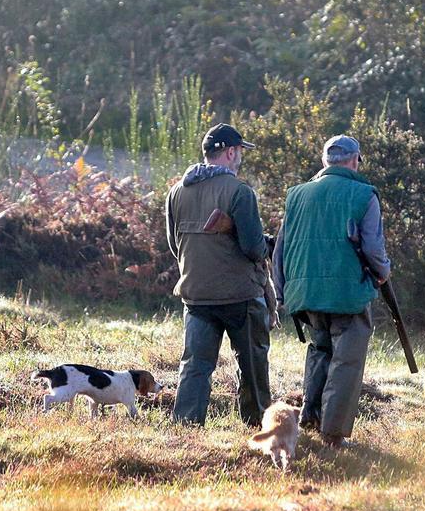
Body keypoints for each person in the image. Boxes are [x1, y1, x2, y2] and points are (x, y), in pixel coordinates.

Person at [272, 135, 391, 448]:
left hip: (305, 292)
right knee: (347, 360)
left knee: (320, 350)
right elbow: (374, 248)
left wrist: (282, 291)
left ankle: (310, 418)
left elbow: (280, 250)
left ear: (326, 162)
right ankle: (333, 433)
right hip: (348, 292)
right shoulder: (365, 194)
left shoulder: (296, 195)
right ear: (354, 161)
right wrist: (383, 274)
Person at [165, 123, 272, 426]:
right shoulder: (240, 191)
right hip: (241, 295)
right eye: (239, 151)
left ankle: (186, 425)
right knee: (252, 364)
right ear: (229, 152)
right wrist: (267, 247)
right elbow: (253, 248)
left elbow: (176, 246)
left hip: (196, 294)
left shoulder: (175, 192)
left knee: (195, 366)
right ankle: (258, 425)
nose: (240, 157)